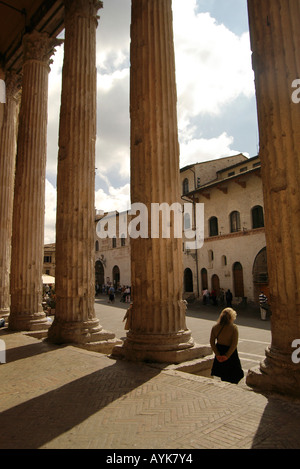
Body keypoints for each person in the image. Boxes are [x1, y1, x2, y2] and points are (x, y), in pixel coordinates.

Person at [210, 307, 244, 384]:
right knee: (235, 374)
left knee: (223, 374)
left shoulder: (215, 327)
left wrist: (217, 354)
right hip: (230, 353)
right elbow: (234, 343)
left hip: (220, 350)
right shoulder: (234, 328)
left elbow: (212, 342)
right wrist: (227, 356)